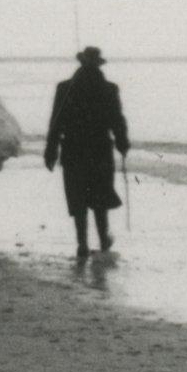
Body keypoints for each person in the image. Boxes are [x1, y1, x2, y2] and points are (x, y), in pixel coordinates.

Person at [46, 46, 130, 258]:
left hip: (73, 149)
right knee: (100, 198)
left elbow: (56, 122)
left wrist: (51, 150)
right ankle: (103, 241)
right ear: (98, 64)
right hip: (100, 149)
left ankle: (82, 244)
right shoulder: (109, 89)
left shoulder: (65, 88)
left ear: (82, 63)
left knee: (78, 198)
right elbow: (117, 120)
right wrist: (122, 143)